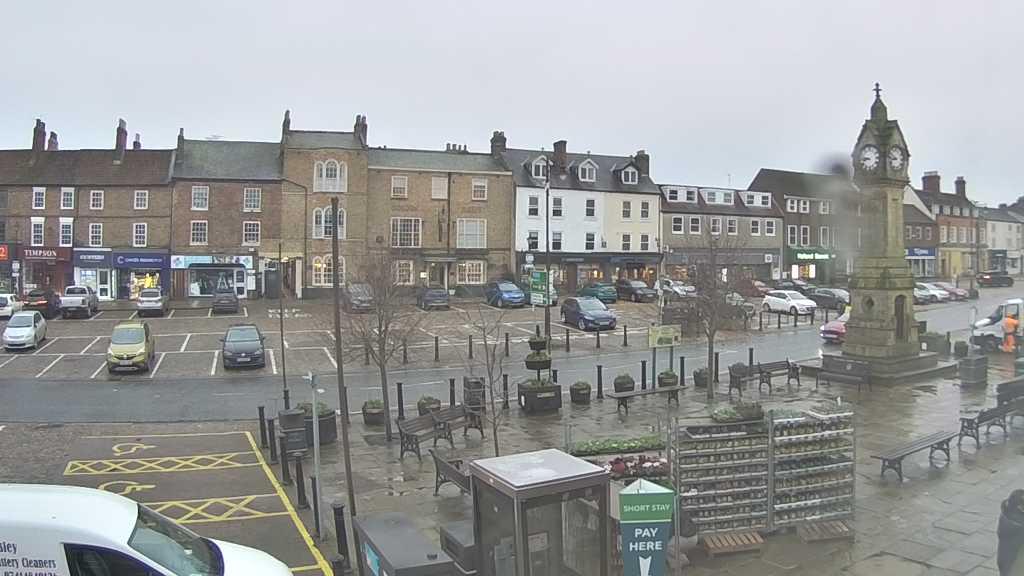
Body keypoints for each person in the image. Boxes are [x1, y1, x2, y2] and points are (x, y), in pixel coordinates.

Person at [999, 490, 1024, 575]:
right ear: (1020, 507)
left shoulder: (1007, 512)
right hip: (1016, 566)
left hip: (1005, 562)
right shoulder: (1020, 525)